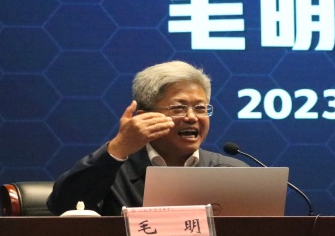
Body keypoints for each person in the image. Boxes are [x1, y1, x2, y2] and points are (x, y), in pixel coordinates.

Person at [47, 60, 247, 215]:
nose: (191, 117)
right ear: (145, 117)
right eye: (179, 108)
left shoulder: (232, 173)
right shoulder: (111, 172)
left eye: (200, 108)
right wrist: (118, 148)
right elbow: (63, 206)